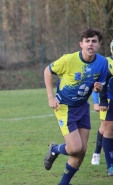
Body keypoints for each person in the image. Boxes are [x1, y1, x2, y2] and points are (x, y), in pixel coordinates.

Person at [43, 28, 108, 185]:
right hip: (64, 107)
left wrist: (97, 89)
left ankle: (64, 183)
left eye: (94, 41)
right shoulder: (69, 60)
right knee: (74, 148)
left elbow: (99, 85)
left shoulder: (102, 63)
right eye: (87, 41)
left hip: (82, 106)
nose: (90, 44)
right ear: (81, 44)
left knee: (82, 150)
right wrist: (51, 97)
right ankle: (55, 149)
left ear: (99, 44)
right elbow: (47, 71)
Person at [91, 40, 113, 175]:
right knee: (106, 129)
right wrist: (97, 102)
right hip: (108, 101)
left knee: (104, 129)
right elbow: (98, 84)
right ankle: (107, 162)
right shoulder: (106, 62)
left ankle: (98, 152)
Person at [90, 91, 103, 165]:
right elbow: (97, 82)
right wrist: (96, 101)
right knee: (105, 126)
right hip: (107, 98)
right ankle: (97, 153)